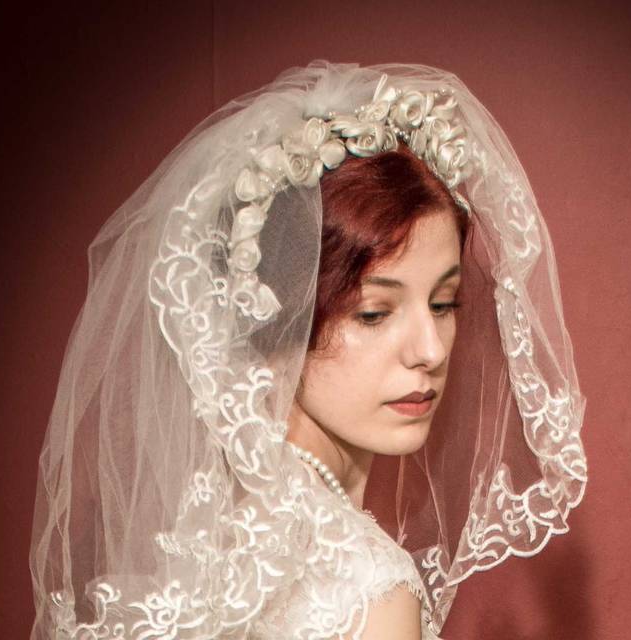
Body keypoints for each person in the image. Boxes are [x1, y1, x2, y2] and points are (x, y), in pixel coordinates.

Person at [30, 60, 588, 639]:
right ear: (281, 316)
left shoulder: (202, 539)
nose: (430, 350)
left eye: (444, 303)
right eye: (374, 313)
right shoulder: (370, 594)